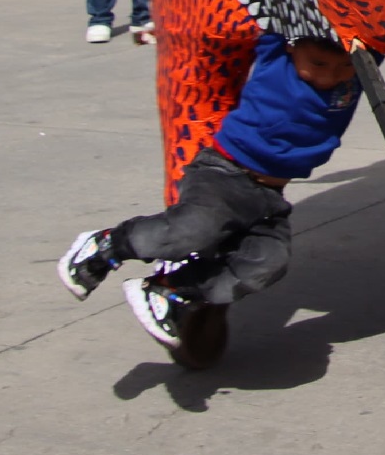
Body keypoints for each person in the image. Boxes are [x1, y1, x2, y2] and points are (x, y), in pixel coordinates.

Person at [56, 34, 361, 362]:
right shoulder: (276, 56)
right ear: (291, 48)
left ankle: (172, 291)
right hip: (224, 175)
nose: (330, 76)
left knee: (268, 261)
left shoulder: (355, 74)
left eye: (343, 67)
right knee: (192, 229)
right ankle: (106, 246)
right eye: (317, 64)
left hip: (269, 197)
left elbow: (381, 37)